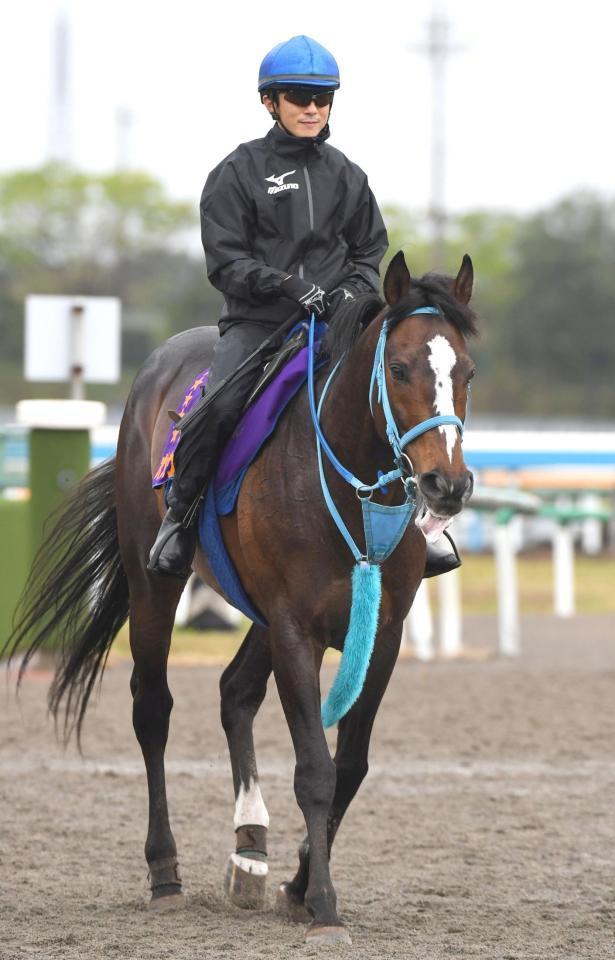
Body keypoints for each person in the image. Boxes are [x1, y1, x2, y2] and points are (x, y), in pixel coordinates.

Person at [148, 35, 459, 581]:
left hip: (339, 321)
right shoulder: (236, 172)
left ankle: (422, 522)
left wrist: (351, 289)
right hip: (259, 324)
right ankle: (180, 517)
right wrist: (290, 287)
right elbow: (226, 261)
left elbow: (369, 247)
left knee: (399, 395)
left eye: (322, 97)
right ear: (270, 102)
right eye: (297, 96)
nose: (311, 107)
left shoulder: (348, 175)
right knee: (217, 408)